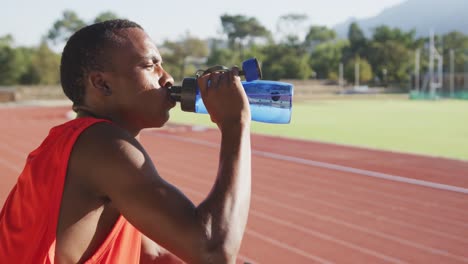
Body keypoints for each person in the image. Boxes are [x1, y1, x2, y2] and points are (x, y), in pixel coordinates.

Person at [0, 19, 252, 264]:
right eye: (149, 65)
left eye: (161, 65)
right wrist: (234, 124)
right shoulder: (101, 144)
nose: (167, 78)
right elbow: (213, 252)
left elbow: (152, 256)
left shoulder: (83, 143)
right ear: (102, 83)